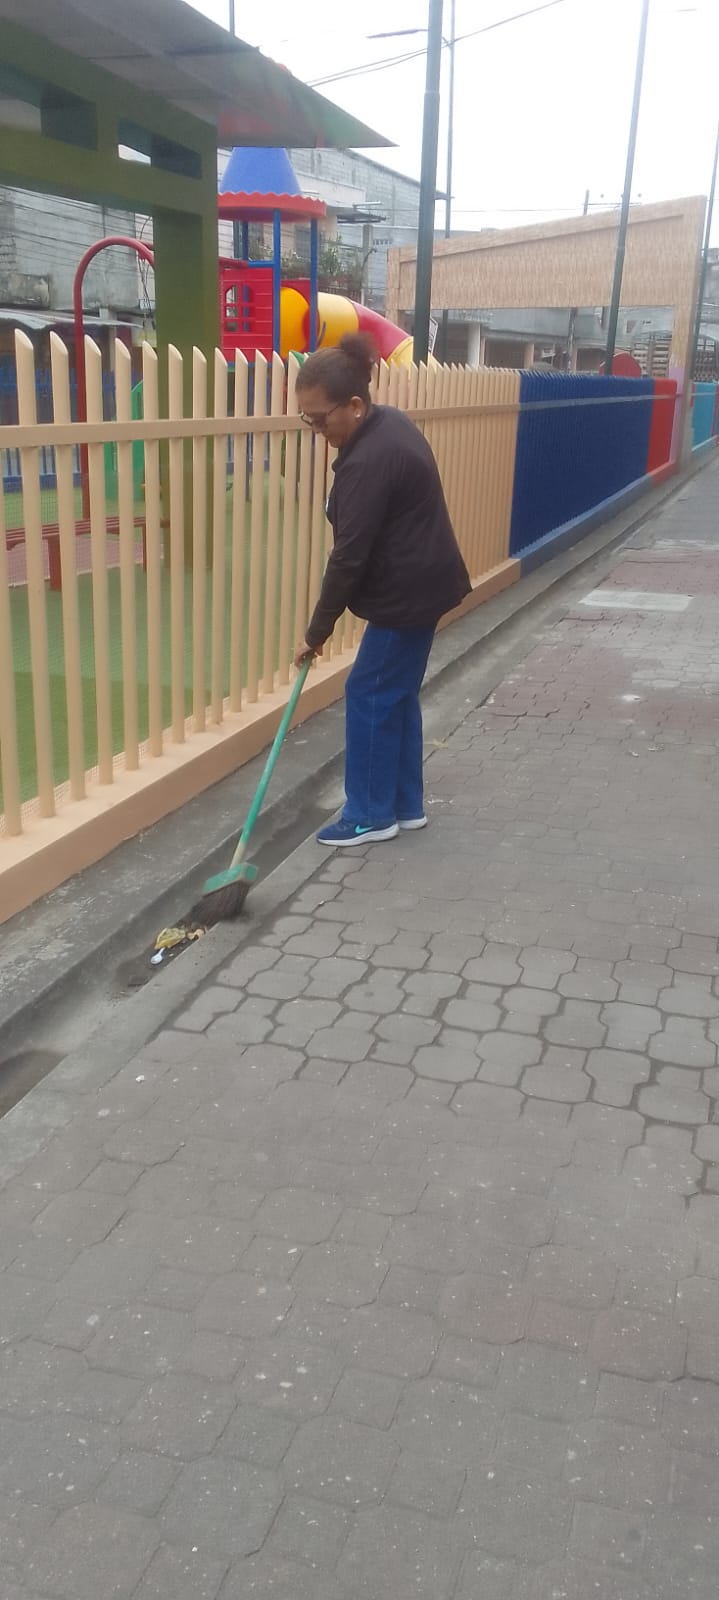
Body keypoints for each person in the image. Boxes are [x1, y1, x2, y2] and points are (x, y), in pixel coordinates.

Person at [294, 332, 471, 848]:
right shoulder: (388, 422)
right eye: (306, 419)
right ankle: (404, 804)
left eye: (320, 419)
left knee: (369, 693)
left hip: (406, 595)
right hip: (424, 583)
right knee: (396, 695)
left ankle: (370, 814)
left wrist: (316, 632)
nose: (315, 429)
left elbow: (348, 557)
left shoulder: (369, 461)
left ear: (354, 405)